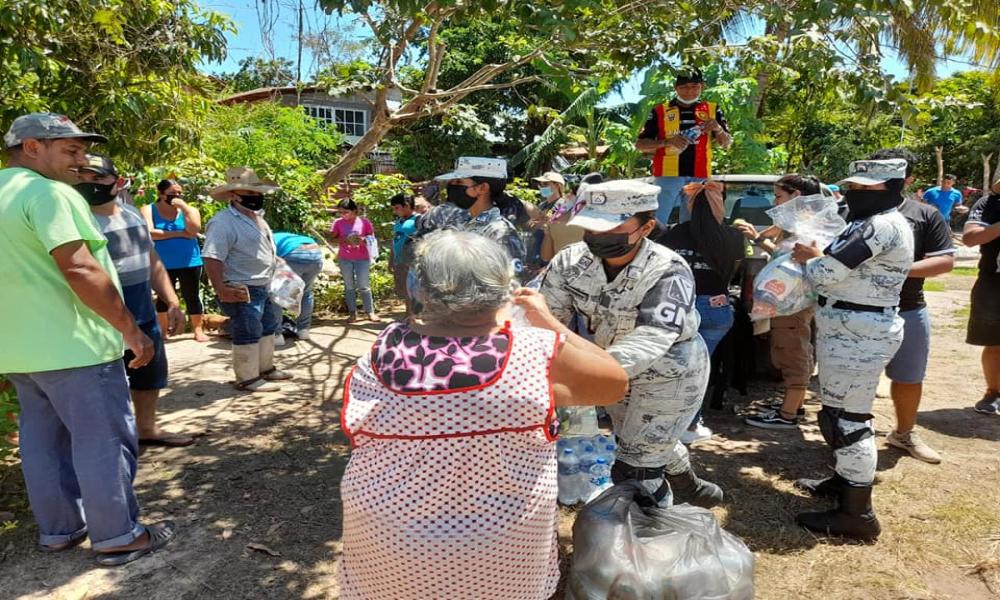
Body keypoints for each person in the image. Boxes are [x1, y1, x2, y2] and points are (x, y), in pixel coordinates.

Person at [339, 230, 628, 600]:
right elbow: (615, 381)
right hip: (501, 554)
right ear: (505, 288)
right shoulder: (535, 352)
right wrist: (547, 320)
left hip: (387, 547)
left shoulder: (381, 350)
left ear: (421, 289)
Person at [0, 113, 174, 565]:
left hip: (18, 350)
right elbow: (79, 267)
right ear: (33, 147)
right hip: (74, 346)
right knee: (103, 439)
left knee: (42, 441)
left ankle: (59, 530)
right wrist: (131, 329)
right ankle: (118, 534)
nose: (81, 161)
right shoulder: (49, 194)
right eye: (71, 150)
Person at [540, 179, 723, 508]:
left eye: (611, 226)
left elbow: (652, 337)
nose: (598, 235)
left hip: (670, 374)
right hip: (611, 372)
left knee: (635, 470)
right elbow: (546, 319)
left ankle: (653, 545)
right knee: (635, 440)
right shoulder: (569, 263)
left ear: (646, 227)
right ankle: (692, 489)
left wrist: (589, 376)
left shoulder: (668, 270)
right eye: (592, 225)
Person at [790, 158, 914, 541]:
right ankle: (844, 482)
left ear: (892, 188)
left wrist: (810, 259)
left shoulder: (878, 226)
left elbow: (827, 273)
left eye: (866, 188)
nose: (853, 194)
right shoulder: (873, 221)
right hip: (850, 326)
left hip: (858, 332)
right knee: (836, 413)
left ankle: (857, 515)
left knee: (849, 422)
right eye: (853, 186)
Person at [78, 154, 194, 447]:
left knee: (150, 375)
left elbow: (152, 260)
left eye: (96, 177)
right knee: (106, 381)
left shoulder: (131, 215)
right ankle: (110, 440)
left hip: (141, 307)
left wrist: (172, 301)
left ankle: (146, 429)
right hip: (101, 314)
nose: (88, 183)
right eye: (82, 176)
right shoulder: (79, 220)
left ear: (117, 182)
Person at [871, 149, 956, 463]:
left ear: (909, 179)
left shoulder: (924, 214)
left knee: (908, 377)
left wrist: (891, 269)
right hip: (855, 309)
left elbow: (944, 261)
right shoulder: (849, 210)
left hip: (908, 308)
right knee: (857, 378)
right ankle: (851, 436)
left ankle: (904, 433)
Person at [655, 181, 747, 442]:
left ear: (690, 205)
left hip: (676, 309)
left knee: (670, 368)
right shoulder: (734, 236)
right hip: (716, 310)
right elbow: (734, 273)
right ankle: (691, 424)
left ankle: (664, 420)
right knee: (699, 370)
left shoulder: (670, 233)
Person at [739, 174, 822, 430]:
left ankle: (787, 415)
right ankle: (793, 406)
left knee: (791, 350)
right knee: (793, 348)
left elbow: (791, 261)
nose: (775, 202)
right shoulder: (801, 225)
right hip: (791, 301)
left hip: (793, 303)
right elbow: (782, 257)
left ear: (795, 196)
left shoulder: (806, 228)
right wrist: (758, 237)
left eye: (778, 196)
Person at [202, 167, 292, 393]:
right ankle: (247, 377)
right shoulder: (223, 222)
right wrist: (220, 288)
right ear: (234, 196)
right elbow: (212, 257)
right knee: (247, 329)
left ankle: (265, 368)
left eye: (256, 193)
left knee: (267, 327)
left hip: (263, 284)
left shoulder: (256, 218)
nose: (256, 198)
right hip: (241, 285)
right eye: (250, 194)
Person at [636, 66, 732, 225]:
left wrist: (718, 128)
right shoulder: (660, 110)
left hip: (699, 175)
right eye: (684, 87)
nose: (689, 91)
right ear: (675, 88)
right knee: (656, 223)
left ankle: (688, 250)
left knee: (693, 224)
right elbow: (640, 144)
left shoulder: (712, 109)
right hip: (667, 174)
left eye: (695, 86)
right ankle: (654, 248)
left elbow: (726, 143)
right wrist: (666, 142)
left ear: (702, 86)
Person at [410, 156, 527, 279]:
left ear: (482, 188)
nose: (451, 186)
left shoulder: (500, 231)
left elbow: (510, 283)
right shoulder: (458, 219)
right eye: (452, 182)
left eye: (459, 182)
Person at [142, 179, 208, 342]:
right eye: (172, 194)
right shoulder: (148, 209)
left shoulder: (189, 210)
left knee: (192, 296)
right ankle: (163, 331)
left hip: (189, 261)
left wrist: (184, 208)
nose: (176, 196)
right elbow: (150, 232)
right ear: (161, 194)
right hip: (162, 262)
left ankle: (198, 330)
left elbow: (193, 230)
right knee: (163, 298)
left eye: (179, 193)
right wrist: (179, 233)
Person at [962, 178, 1000, 416]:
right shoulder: (989, 203)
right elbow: (970, 238)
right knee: (995, 342)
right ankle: (993, 392)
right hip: (994, 281)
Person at [328, 198, 379, 323]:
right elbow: (332, 239)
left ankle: (370, 312)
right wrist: (345, 240)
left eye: (345, 212)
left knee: (364, 285)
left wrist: (362, 240)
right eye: (340, 212)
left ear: (354, 211)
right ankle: (352, 313)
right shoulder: (338, 223)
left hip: (362, 258)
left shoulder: (364, 222)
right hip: (345, 258)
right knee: (349, 286)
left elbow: (371, 237)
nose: (343, 215)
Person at [270, 231, 325, 341]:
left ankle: (277, 335)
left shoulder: (268, 240)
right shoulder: (284, 236)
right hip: (316, 255)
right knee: (306, 292)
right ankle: (303, 331)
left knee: (276, 296)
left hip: (294, 256)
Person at [539, 172, 601, 263]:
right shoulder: (606, 222)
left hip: (561, 271)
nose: (542, 187)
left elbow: (546, 256)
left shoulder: (558, 214)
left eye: (545, 184)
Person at [528, 171, 567, 266]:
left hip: (551, 253)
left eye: (545, 184)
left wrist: (538, 223)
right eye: (540, 184)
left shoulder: (563, 204)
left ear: (557, 185)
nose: (541, 187)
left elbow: (548, 223)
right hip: (537, 251)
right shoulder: (542, 205)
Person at [389, 193, 418, 315]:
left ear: (406, 205)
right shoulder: (398, 221)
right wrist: (391, 259)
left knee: (414, 289)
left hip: (412, 263)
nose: (395, 211)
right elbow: (394, 240)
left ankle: (415, 315)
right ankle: (408, 313)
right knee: (404, 289)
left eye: (397, 208)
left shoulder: (418, 220)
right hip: (399, 261)